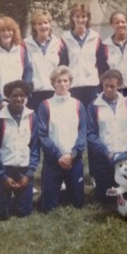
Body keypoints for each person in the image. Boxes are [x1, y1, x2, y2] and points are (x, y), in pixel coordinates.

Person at [0, 80, 40, 220]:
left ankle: (18, 198)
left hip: (23, 168)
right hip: (5, 169)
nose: (19, 99)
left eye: (22, 96)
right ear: (8, 96)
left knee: (24, 213)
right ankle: (2, 198)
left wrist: (28, 175)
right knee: (2, 216)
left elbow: (35, 147)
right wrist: (2, 176)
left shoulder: (32, 117)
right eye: (15, 96)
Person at [38, 66, 87, 212]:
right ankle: (55, 189)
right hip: (54, 159)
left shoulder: (78, 105)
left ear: (70, 82)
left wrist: (73, 154)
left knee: (78, 204)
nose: (62, 84)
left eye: (66, 80)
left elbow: (83, 132)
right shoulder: (45, 105)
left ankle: (68, 188)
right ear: (53, 83)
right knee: (47, 208)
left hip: (74, 159)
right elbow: (42, 135)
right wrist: (58, 156)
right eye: (59, 81)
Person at [87, 69, 127, 203]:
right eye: (105, 86)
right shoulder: (94, 106)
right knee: (105, 199)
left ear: (119, 85)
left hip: (124, 156)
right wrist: (105, 152)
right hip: (104, 158)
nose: (108, 89)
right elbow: (91, 134)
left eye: (112, 86)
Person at [60, 3, 108, 108]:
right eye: (77, 16)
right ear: (72, 18)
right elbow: (63, 64)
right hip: (73, 87)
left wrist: (101, 85)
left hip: (92, 86)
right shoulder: (65, 38)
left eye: (83, 16)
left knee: (92, 119)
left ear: (88, 18)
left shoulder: (95, 37)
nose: (80, 20)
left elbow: (102, 64)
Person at [0, 16, 33, 117]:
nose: (7, 33)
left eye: (10, 30)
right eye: (3, 30)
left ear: (14, 32)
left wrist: (25, 97)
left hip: (20, 102)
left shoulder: (21, 50)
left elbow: (27, 75)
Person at [24, 10, 68, 111]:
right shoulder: (26, 45)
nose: (43, 26)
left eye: (46, 23)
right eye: (39, 23)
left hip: (54, 93)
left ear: (50, 24)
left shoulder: (59, 44)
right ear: (34, 26)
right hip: (34, 95)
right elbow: (24, 70)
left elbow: (64, 69)